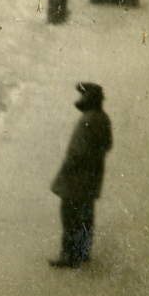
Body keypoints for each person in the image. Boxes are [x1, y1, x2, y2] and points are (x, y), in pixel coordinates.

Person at [49, 81, 114, 268]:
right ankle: (82, 253)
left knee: (70, 216)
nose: (79, 99)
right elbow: (108, 145)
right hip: (92, 176)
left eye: (82, 95)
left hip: (76, 177)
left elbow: (78, 151)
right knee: (85, 215)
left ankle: (69, 256)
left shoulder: (89, 119)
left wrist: (68, 168)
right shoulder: (103, 118)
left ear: (89, 98)